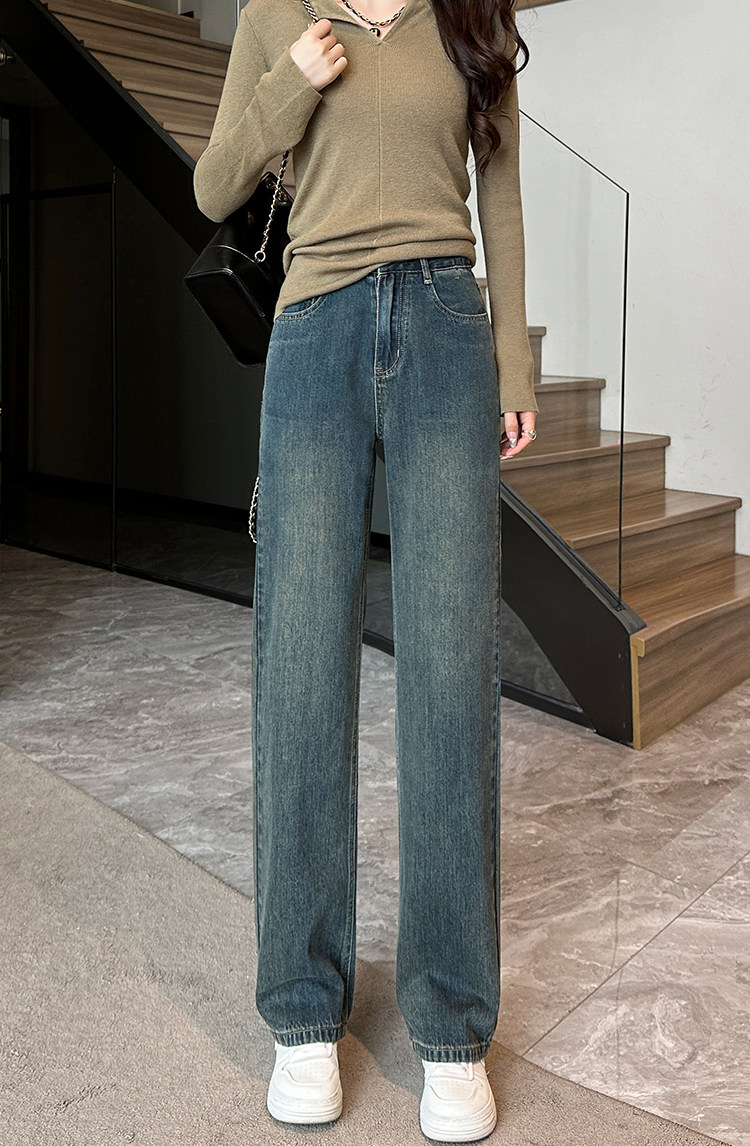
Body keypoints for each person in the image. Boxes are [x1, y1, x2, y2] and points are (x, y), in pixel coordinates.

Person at [193, 0, 538, 1138]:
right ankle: (302, 1013)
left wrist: (514, 360)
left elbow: (502, 191)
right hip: (314, 330)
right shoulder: (276, 14)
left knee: (450, 674)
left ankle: (452, 1024)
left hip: (445, 327)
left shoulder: (468, 18)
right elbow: (214, 185)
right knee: (300, 672)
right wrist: (291, 80)